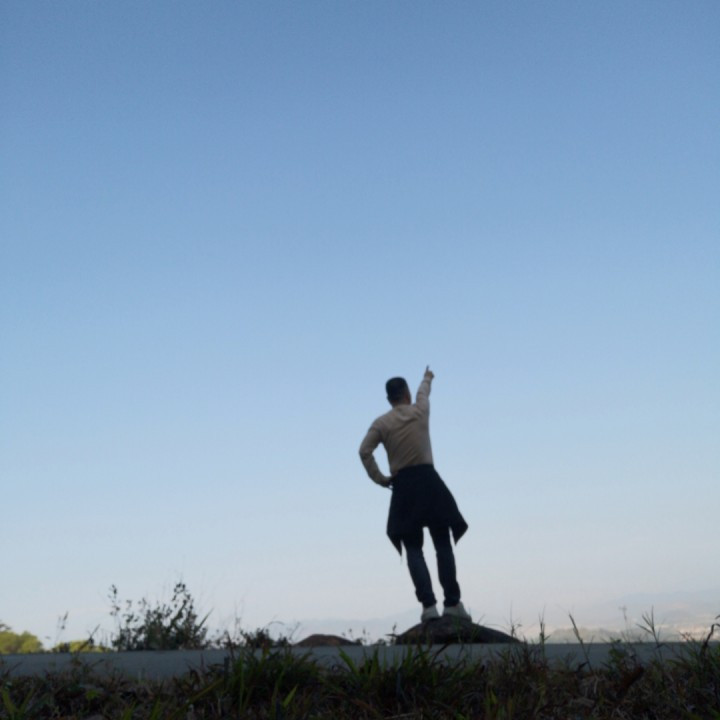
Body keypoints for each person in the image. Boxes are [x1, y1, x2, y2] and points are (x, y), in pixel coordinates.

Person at [359, 366, 471, 623]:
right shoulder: (420, 410)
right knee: (442, 543)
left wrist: (381, 479)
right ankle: (452, 603)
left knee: (413, 548)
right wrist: (427, 377)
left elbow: (364, 451)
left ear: (389, 399)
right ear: (406, 394)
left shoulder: (381, 423)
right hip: (429, 481)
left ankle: (428, 607)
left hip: (404, 486)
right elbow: (424, 392)